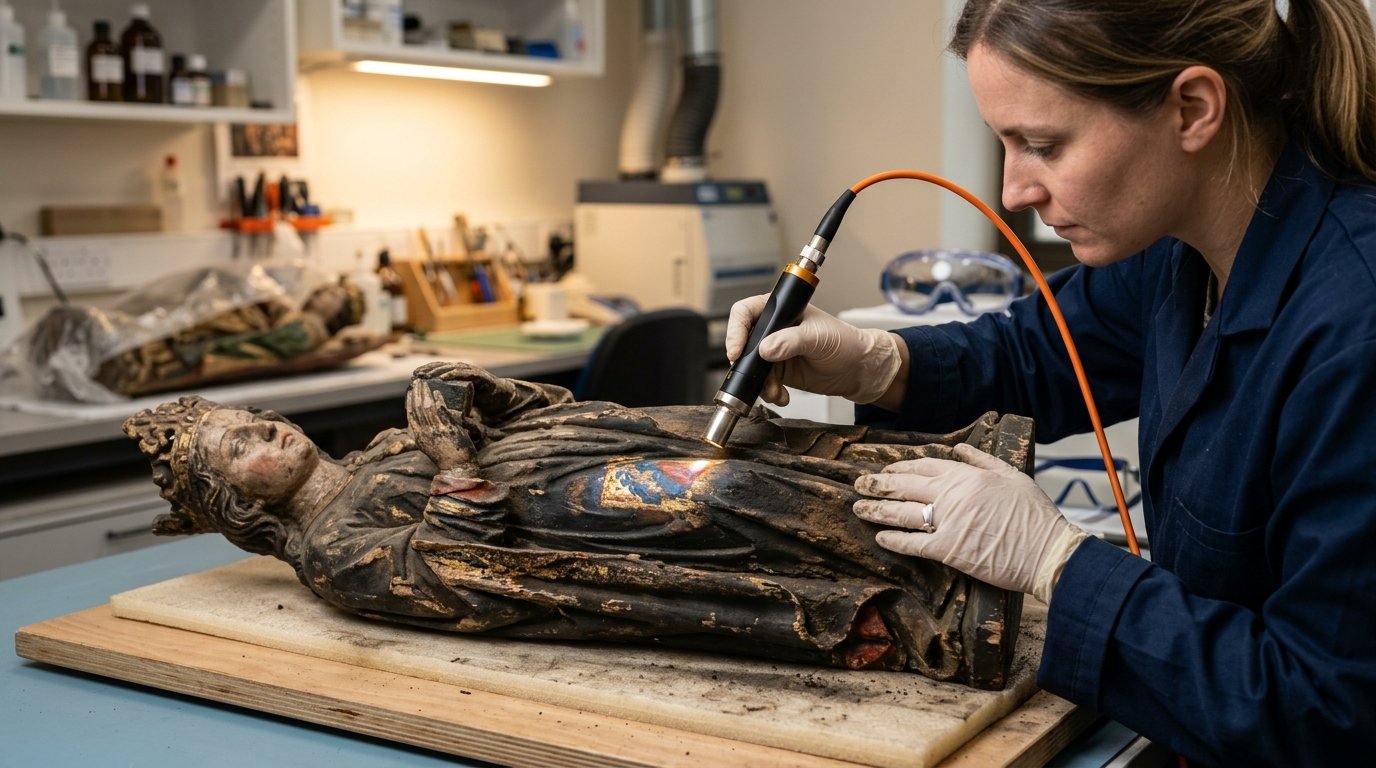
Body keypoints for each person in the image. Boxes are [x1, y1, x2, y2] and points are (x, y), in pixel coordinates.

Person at [726, 0, 1376, 762]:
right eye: (1004, 144)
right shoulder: (1182, 249)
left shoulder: (1354, 326)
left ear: (1193, 109)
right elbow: (1036, 352)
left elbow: (1325, 712)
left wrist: (1058, 565)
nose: (1014, 192)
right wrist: (880, 362)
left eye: (1042, 145)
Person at [122, 361, 1035, 690]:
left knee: (758, 438)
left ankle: (953, 477)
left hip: (589, 444)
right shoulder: (332, 550)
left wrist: (464, 390)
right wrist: (451, 450)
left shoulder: (379, 448)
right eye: (241, 445)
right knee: (725, 496)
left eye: (252, 417)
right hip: (581, 522)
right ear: (241, 504)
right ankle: (940, 582)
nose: (267, 429)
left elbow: (535, 406)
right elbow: (459, 574)